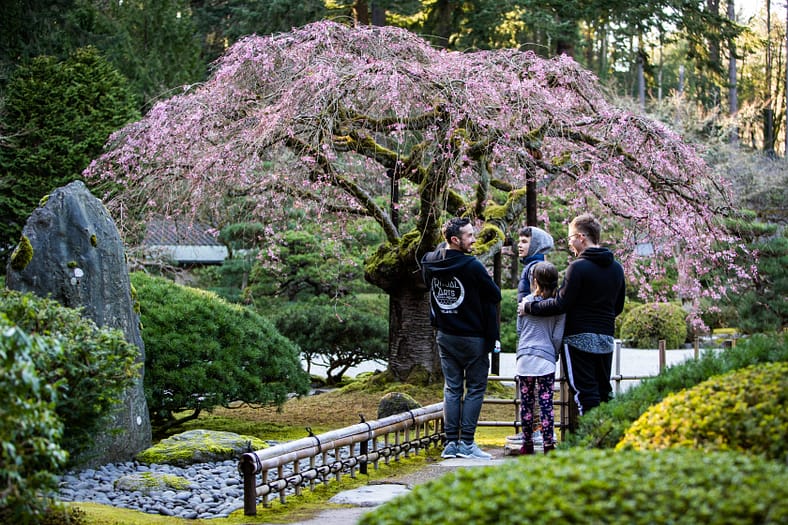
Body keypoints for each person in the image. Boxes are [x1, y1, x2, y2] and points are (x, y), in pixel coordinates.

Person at [519, 213, 625, 420]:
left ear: (581, 237)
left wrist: (530, 307)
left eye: (570, 238)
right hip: (605, 337)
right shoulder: (616, 269)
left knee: (585, 393)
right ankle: (609, 438)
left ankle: (591, 441)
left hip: (578, 338)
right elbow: (618, 307)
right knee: (604, 391)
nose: (569, 244)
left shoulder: (577, 267)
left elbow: (561, 304)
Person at [421, 217, 502, 460]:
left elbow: (427, 285)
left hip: (445, 334)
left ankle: (450, 444)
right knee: (475, 388)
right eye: (469, 236)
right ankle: (467, 443)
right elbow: (495, 294)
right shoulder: (472, 266)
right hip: (472, 335)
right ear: (455, 240)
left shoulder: (430, 262)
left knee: (452, 387)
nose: (474, 239)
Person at [516, 261, 565, 455]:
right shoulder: (558, 307)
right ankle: (548, 444)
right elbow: (557, 336)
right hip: (545, 360)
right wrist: (553, 354)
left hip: (525, 358)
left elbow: (519, 330)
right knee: (546, 403)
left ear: (534, 281)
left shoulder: (525, 303)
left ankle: (526, 444)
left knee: (526, 403)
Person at [516, 226, 555, 337]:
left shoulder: (535, 269)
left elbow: (538, 299)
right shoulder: (533, 266)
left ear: (535, 245)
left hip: (533, 332)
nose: (519, 245)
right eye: (519, 241)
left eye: (524, 242)